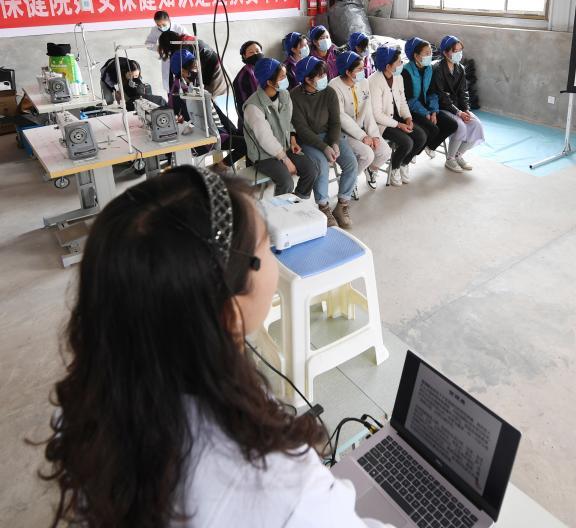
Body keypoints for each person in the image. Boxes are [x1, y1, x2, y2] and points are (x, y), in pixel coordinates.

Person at [37, 165, 389, 527]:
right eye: (267, 245)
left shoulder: (83, 411)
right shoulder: (279, 484)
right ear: (230, 314)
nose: (275, 254)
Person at [290, 56, 358, 229]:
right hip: (308, 140)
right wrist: (324, 147)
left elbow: (335, 122)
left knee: (351, 163)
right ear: (307, 79)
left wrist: (334, 143)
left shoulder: (329, 92)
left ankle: (342, 205)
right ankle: (324, 207)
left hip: (330, 136)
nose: (324, 79)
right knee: (321, 164)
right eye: (320, 76)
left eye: (324, 75)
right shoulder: (295, 96)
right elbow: (302, 129)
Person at [241, 58, 318, 198]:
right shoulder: (253, 106)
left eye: (285, 75)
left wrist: (293, 140)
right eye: (282, 77)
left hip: (285, 147)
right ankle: (281, 208)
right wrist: (285, 160)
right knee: (286, 182)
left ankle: (297, 201)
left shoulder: (284, 94)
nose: (286, 79)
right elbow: (265, 139)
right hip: (264, 156)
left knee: (311, 171)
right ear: (270, 82)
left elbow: (289, 121)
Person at [329, 51, 390, 189]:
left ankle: (370, 170)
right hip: (343, 132)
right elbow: (341, 116)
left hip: (361, 129)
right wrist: (363, 137)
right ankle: (350, 181)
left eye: (363, 68)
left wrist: (374, 135)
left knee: (385, 151)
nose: (364, 71)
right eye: (359, 69)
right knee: (368, 155)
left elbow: (367, 111)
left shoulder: (363, 82)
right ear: (348, 72)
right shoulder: (334, 86)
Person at [368, 46, 427, 187]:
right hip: (382, 124)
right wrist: (399, 125)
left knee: (421, 137)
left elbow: (402, 101)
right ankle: (394, 168)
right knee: (407, 142)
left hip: (398, 119)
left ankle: (403, 164)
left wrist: (408, 118)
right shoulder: (373, 81)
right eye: (399, 62)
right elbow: (377, 115)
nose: (402, 64)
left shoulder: (398, 77)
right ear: (388, 66)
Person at [401, 37, 457, 167]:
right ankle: (411, 154)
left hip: (426, 107)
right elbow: (409, 100)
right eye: (427, 53)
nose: (430, 55)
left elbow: (432, 93)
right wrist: (425, 113)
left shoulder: (429, 69)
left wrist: (433, 111)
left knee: (452, 124)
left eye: (431, 52)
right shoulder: (405, 71)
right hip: (411, 110)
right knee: (433, 129)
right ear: (416, 56)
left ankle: (429, 146)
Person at [433, 35, 484, 173]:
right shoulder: (437, 69)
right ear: (445, 52)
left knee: (476, 125)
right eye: (455, 51)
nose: (459, 54)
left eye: (460, 50)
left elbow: (463, 92)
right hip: (442, 107)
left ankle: (458, 155)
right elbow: (441, 96)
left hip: (457, 108)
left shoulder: (460, 68)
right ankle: (450, 159)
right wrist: (458, 112)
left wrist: (466, 109)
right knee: (460, 126)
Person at [158, 31, 228, 97]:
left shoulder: (184, 49)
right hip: (221, 69)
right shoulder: (186, 40)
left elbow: (191, 72)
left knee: (206, 100)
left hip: (215, 75)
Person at [99, 57, 166, 111]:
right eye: (131, 76)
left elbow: (138, 90)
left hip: (124, 75)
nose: (133, 78)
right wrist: (115, 93)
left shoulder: (134, 69)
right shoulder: (111, 74)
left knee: (132, 94)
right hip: (106, 78)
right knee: (110, 100)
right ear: (125, 73)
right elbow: (111, 87)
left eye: (136, 75)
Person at [144, 10, 186, 94]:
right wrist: (159, 48)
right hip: (167, 58)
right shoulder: (155, 30)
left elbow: (188, 41)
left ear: (169, 20)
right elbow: (148, 43)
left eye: (163, 25)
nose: (161, 27)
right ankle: (171, 98)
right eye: (158, 25)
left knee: (183, 80)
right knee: (169, 83)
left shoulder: (179, 28)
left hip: (180, 57)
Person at [232, 40, 263, 134]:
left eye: (257, 51)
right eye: (251, 52)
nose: (255, 54)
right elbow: (246, 106)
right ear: (244, 56)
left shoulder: (264, 69)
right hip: (251, 122)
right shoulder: (242, 77)